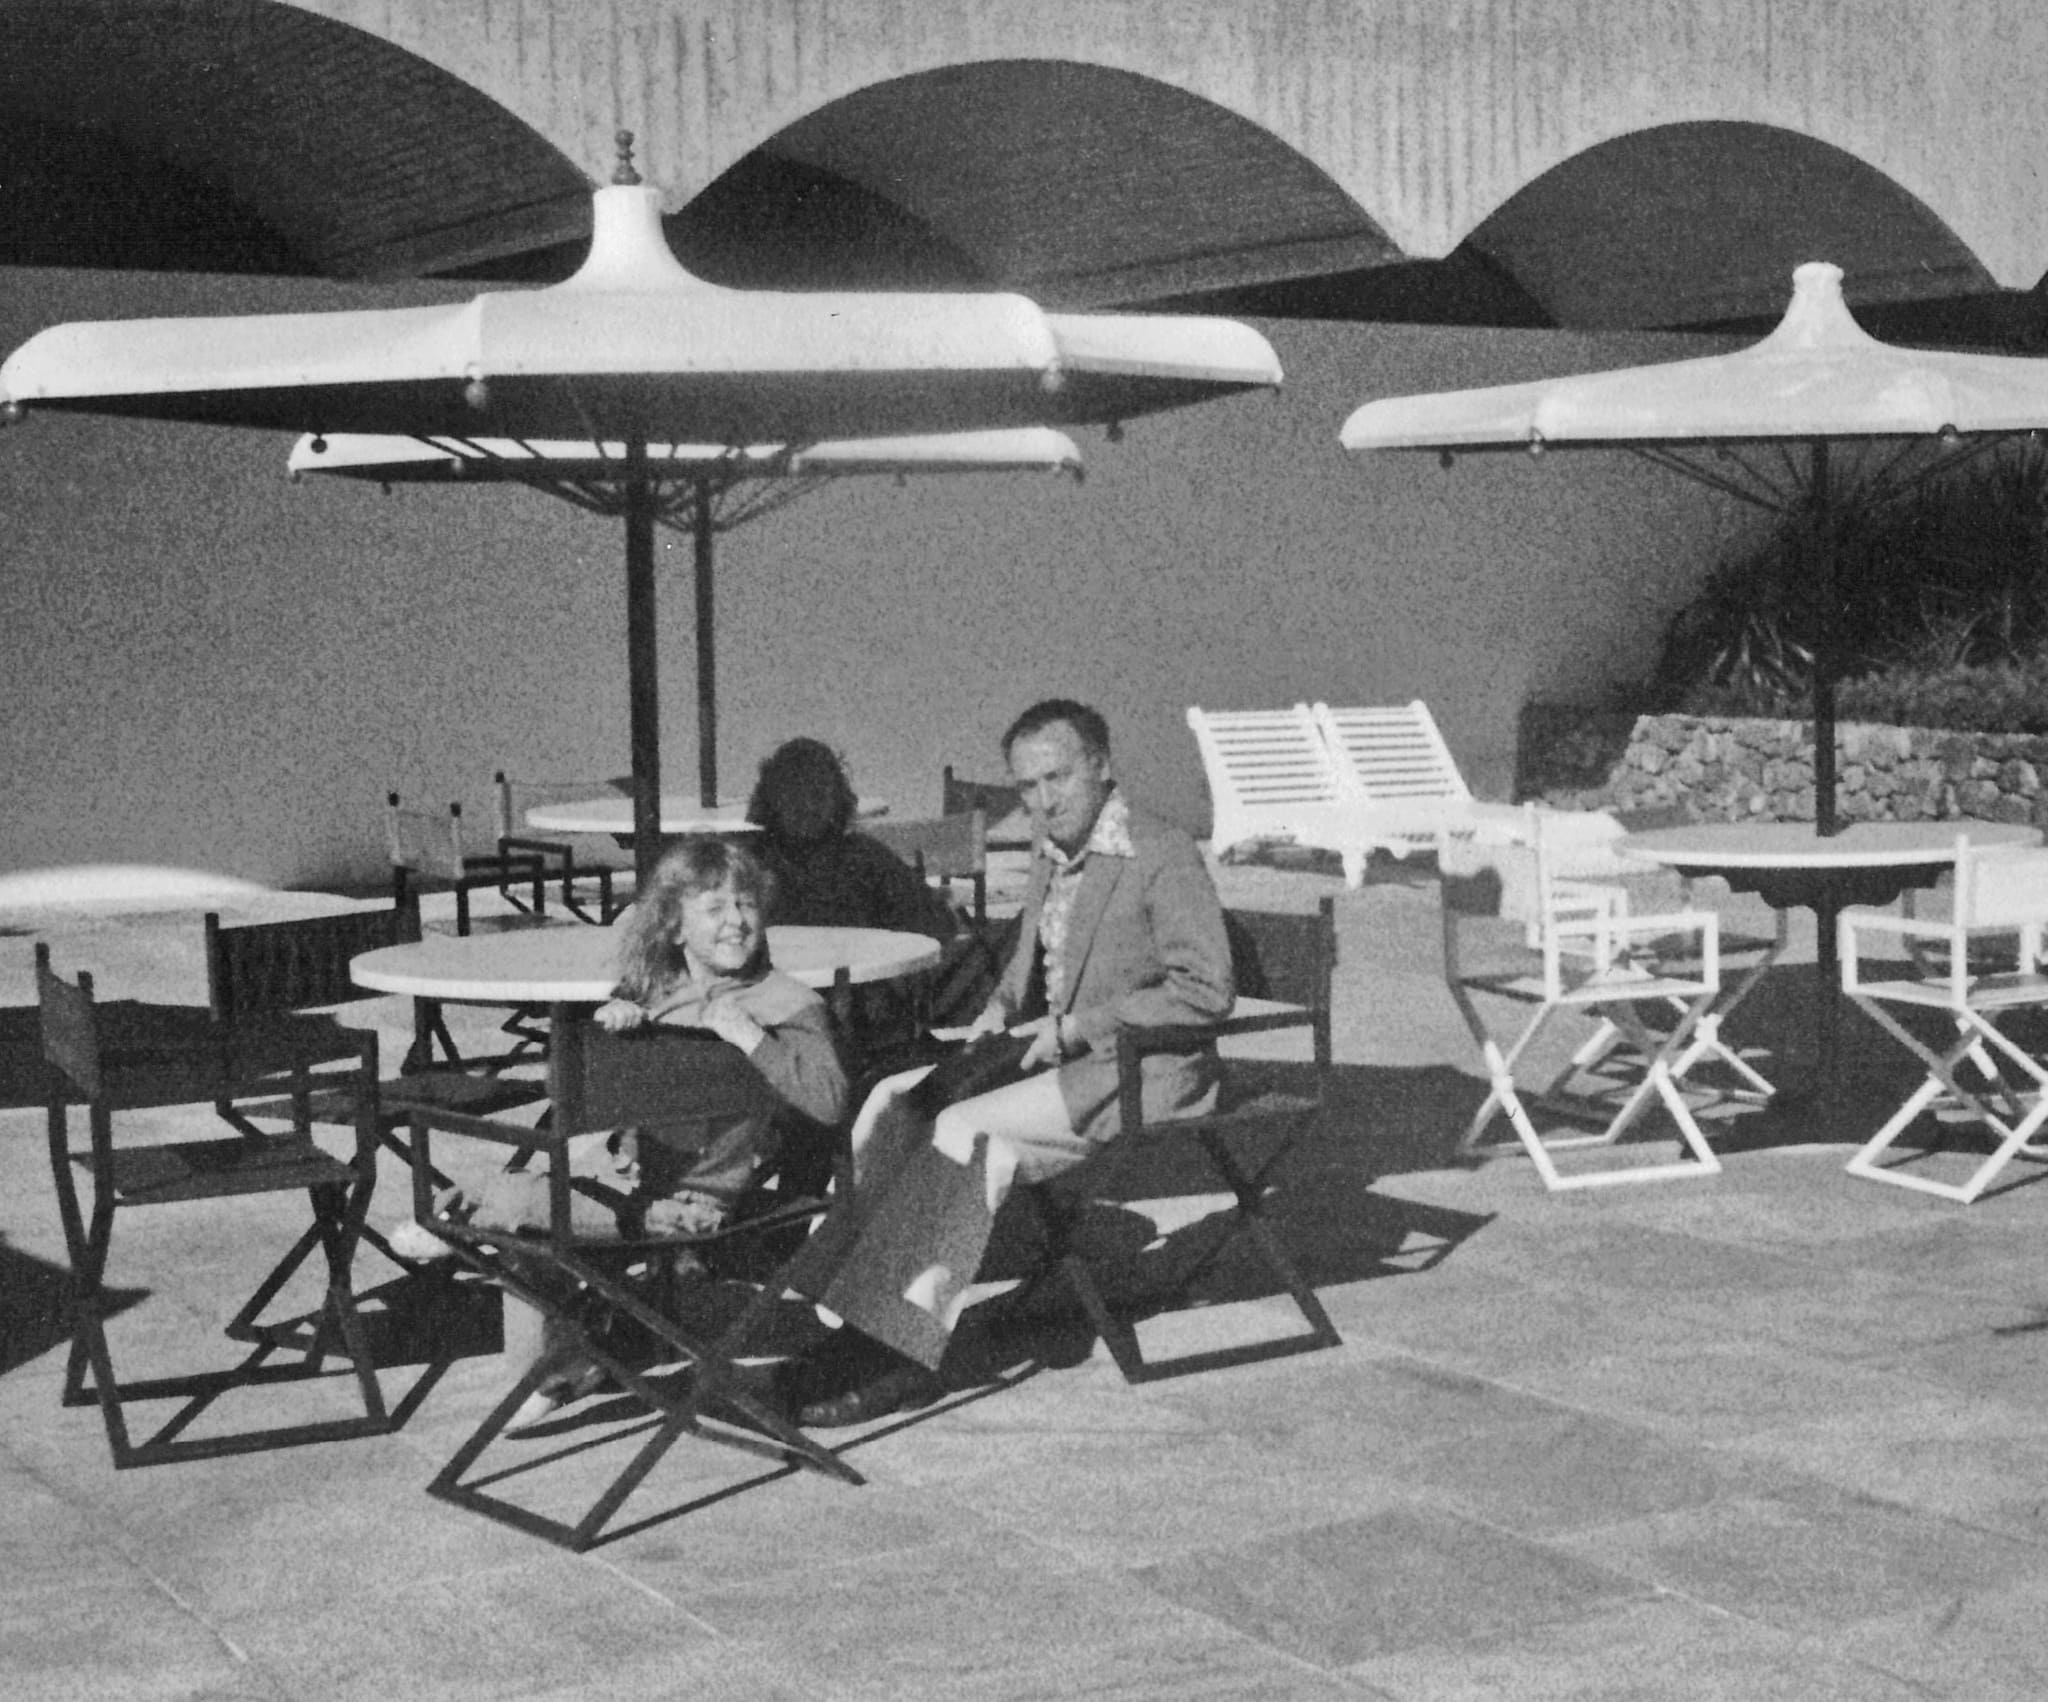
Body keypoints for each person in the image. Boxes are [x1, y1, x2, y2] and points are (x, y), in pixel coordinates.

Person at [788, 698, 1235, 1425]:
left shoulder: (1161, 852)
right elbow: (1032, 961)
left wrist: (1079, 1027)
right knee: (889, 1102)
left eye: (1058, 778)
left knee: (964, 1135)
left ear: (1102, 766)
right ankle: (848, 1312)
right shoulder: (1051, 850)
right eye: (1027, 786)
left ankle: (902, 1350)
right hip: (1057, 1057)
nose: (1043, 801)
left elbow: (1206, 991)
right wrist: (999, 1009)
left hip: (1141, 1071)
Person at [464, 837, 850, 1429]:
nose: (736, 920)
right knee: (529, 1233)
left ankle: (464, 1217)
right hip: (621, 1182)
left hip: (697, 1206)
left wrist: (751, 1037)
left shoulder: (786, 1001)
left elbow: (830, 1102)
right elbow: (562, 1092)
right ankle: (563, 1366)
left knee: (515, 1206)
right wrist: (612, 1030)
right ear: (674, 927)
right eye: (714, 908)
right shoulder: (657, 995)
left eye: (746, 903)